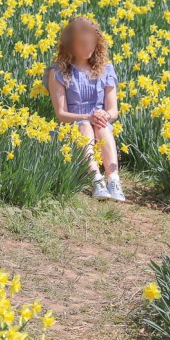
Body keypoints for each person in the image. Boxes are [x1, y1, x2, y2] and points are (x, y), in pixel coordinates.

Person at [44, 16, 125, 202]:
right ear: (70, 45)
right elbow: (61, 115)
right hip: (73, 125)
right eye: (82, 44)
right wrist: (88, 117)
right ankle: (96, 179)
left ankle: (114, 180)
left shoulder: (106, 69)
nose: (88, 47)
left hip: (99, 123)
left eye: (91, 43)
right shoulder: (57, 72)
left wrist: (104, 114)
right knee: (85, 126)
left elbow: (114, 111)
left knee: (102, 125)